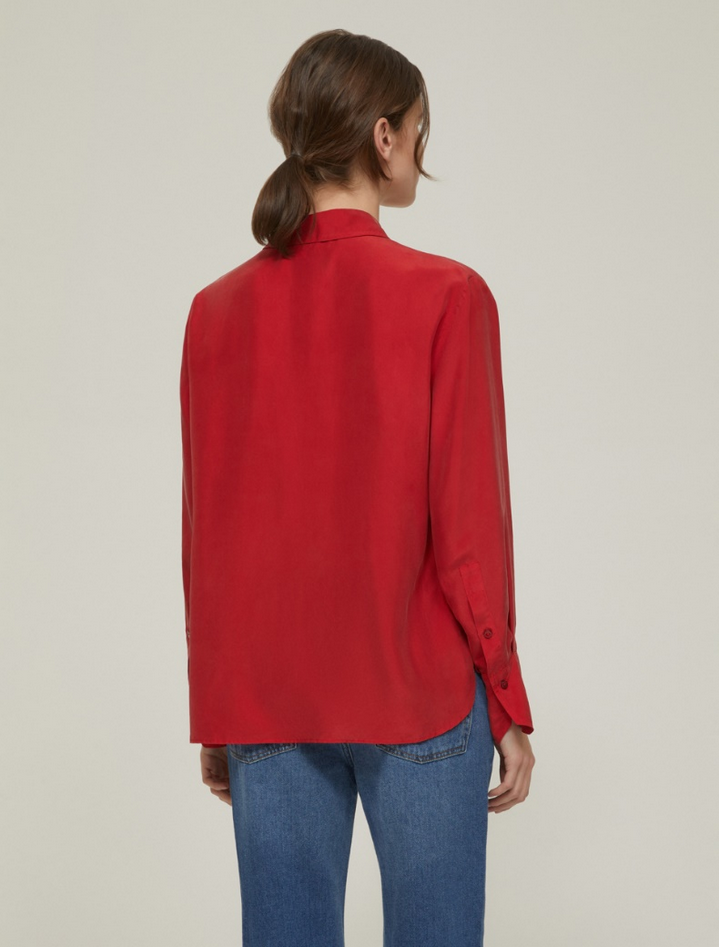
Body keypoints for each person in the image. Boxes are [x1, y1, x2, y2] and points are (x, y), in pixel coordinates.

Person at [180, 28, 536, 947]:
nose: (420, 149)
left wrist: (219, 708)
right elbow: (469, 528)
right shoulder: (448, 295)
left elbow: (209, 536)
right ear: (384, 137)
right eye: (419, 130)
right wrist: (505, 698)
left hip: (267, 698)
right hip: (418, 694)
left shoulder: (215, 312)